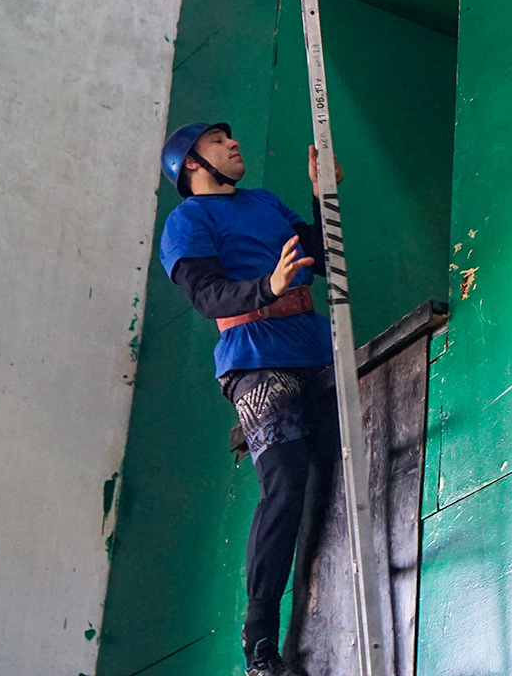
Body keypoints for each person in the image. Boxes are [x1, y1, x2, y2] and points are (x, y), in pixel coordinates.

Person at [157, 122, 343, 676]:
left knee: (351, 464)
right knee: (285, 484)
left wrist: (322, 194)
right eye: (218, 142)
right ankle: (260, 639)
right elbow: (207, 296)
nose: (234, 144)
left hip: (314, 349)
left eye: (232, 137)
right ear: (191, 164)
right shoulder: (186, 221)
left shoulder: (265, 203)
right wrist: (270, 287)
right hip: (254, 362)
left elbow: (322, 256)